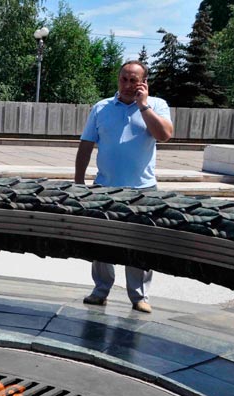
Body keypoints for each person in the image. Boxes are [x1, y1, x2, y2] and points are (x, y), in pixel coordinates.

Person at [75, 60, 173, 314]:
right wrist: (78, 183)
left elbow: (164, 135)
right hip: (104, 188)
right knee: (102, 245)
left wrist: (144, 107)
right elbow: (86, 145)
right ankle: (100, 290)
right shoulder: (101, 107)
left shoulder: (157, 105)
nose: (128, 85)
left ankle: (139, 296)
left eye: (134, 80)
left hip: (143, 190)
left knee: (140, 245)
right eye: (124, 79)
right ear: (118, 80)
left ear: (144, 82)